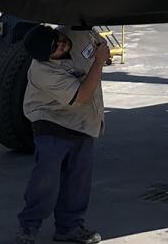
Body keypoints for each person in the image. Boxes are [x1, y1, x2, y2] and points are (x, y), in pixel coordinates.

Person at [14, 25, 112, 244]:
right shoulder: (43, 71)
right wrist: (97, 62)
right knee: (45, 181)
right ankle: (28, 228)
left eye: (57, 39)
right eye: (55, 48)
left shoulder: (73, 34)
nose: (61, 44)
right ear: (46, 58)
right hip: (52, 122)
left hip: (84, 123)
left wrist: (101, 51)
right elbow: (82, 95)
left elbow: (95, 41)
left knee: (78, 182)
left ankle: (69, 228)